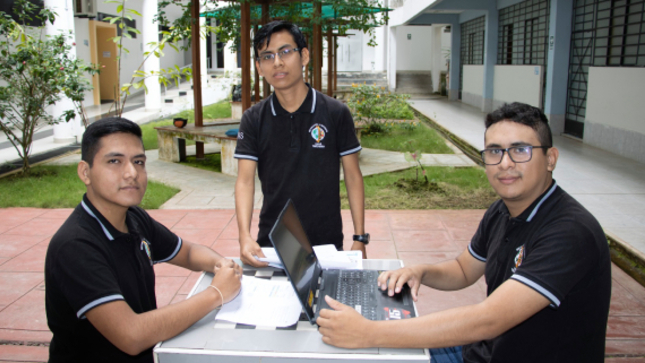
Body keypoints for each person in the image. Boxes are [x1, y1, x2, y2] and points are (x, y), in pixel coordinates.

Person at [316, 102, 611, 363]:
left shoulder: (570, 232)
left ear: (550, 158)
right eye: (494, 151)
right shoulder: (502, 211)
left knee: (374, 346)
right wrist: (421, 272)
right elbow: (463, 269)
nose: (505, 163)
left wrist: (370, 333)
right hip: (485, 351)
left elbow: (488, 320)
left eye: (520, 150)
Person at [45, 118, 242, 363]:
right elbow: (132, 335)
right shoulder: (76, 246)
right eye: (114, 161)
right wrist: (216, 293)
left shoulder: (133, 218)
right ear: (85, 172)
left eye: (138, 162)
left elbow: (188, 252)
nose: (132, 173)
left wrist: (222, 265)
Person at [234, 20, 369, 267]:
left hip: (327, 245)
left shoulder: (335, 112)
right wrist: (244, 236)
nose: (277, 62)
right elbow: (244, 181)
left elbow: (352, 174)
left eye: (286, 52)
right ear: (259, 67)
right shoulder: (253, 119)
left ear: (304, 56)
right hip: (273, 246)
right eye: (267, 56)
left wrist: (360, 237)